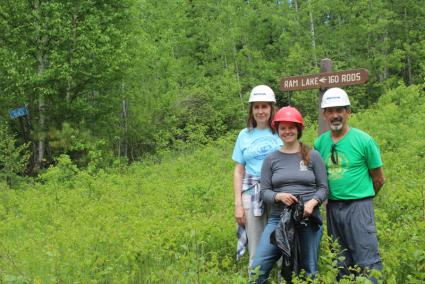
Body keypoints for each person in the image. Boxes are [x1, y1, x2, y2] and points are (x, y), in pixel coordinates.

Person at [250, 106, 328, 283]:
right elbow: (264, 192)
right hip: (278, 219)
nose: (287, 131)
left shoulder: (312, 155)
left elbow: (324, 188)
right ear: (277, 130)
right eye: (283, 128)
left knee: (309, 271)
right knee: (258, 269)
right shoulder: (270, 159)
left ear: (299, 129)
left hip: (308, 219)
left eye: (291, 127)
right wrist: (278, 196)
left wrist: (312, 202)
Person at [314, 87, 385, 282]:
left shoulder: (363, 140)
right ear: (324, 114)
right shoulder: (320, 143)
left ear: (348, 112)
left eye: (340, 110)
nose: (335, 115)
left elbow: (378, 178)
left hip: (359, 206)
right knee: (340, 260)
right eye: (330, 111)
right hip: (333, 207)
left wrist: (362, 197)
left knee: (367, 260)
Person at [232, 85, 282, 269]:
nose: (260, 111)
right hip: (251, 193)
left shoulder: (281, 131)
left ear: (271, 108)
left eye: (264, 106)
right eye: (256, 107)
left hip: (278, 192)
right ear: (251, 110)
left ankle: (281, 279)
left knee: (280, 240)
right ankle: (257, 279)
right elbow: (238, 170)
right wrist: (238, 204)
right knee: (256, 245)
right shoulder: (244, 135)